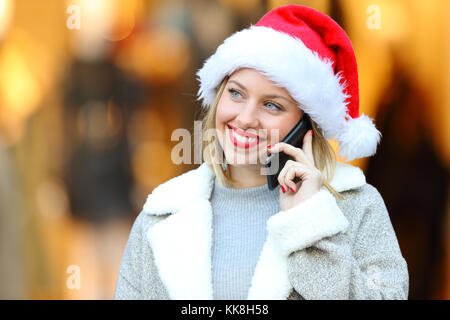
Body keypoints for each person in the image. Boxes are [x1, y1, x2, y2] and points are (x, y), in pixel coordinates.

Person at [114, 4, 409, 300]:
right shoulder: (163, 212)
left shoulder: (357, 205)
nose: (244, 118)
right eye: (236, 93)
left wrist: (309, 224)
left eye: (272, 105)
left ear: (307, 126)